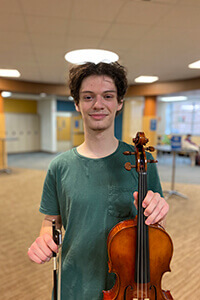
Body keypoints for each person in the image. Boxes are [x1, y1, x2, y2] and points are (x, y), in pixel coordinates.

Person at [28, 62, 169, 299]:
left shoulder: (142, 161)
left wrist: (161, 211)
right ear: (77, 104)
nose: (98, 104)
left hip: (130, 286)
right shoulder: (59, 166)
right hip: (75, 284)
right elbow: (51, 221)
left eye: (107, 96)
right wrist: (45, 237)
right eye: (88, 97)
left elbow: (157, 228)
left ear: (119, 103)